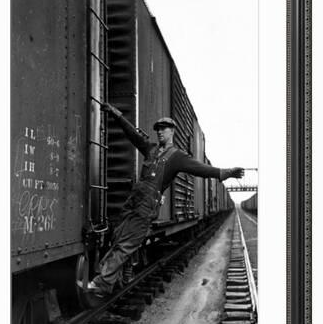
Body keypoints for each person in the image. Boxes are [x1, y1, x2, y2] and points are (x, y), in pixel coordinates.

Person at [78, 102, 244, 298]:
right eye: (157, 129)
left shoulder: (177, 157)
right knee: (118, 236)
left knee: (127, 243)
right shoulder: (152, 149)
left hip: (147, 203)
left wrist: (226, 173)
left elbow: (201, 169)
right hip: (135, 198)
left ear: (172, 131)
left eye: (163, 129)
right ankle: (121, 276)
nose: (159, 132)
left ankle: (101, 284)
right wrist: (118, 116)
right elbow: (134, 136)